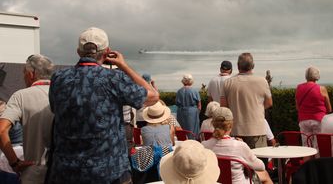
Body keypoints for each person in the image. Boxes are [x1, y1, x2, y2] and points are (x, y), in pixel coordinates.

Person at [48, 27, 159, 184]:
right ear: (107, 52)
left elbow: (55, 109)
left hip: (65, 172)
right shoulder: (114, 79)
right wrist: (123, 65)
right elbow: (153, 96)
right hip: (109, 172)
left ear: (78, 52)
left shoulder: (58, 78)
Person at [0, 54, 54, 184]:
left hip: (33, 173)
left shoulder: (20, 96)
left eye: (24, 73)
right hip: (62, 171)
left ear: (31, 74)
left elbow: (2, 130)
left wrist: (15, 163)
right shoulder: (65, 93)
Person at [202, 107, 273, 184]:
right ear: (231, 124)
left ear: (213, 124)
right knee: (264, 174)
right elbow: (261, 166)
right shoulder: (239, 146)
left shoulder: (204, 145)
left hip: (216, 182)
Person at [222, 52, 273, 149]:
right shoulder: (262, 81)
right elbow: (269, 103)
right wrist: (255, 108)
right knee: (259, 161)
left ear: (237, 66)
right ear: (253, 66)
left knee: (238, 162)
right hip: (257, 130)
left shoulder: (228, 83)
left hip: (236, 130)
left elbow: (224, 107)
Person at [295, 66, 332, 143]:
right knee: (318, 144)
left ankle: (307, 155)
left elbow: (297, 107)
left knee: (306, 145)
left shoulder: (298, 88)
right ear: (317, 76)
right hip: (318, 119)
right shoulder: (322, 89)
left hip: (303, 120)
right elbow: (329, 109)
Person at [176, 74, 201, 139]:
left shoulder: (179, 91)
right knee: (192, 131)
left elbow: (177, 103)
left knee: (182, 130)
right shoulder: (195, 91)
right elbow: (199, 105)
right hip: (192, 112)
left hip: (181, 112)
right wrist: (197, 112)